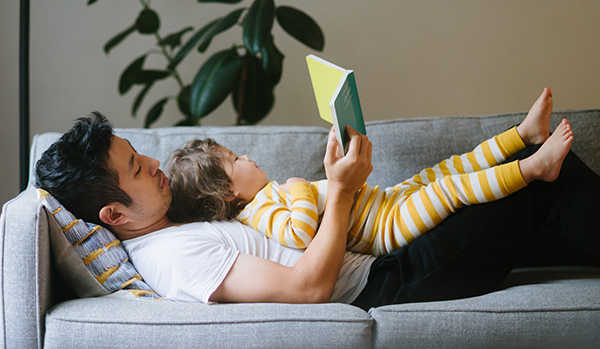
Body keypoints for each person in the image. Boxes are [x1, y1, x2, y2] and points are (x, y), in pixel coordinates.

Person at [34, 88, 600, 308]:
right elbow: (309, 288)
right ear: (113, 215)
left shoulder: (174, 225)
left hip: (385, 260)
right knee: (542, 183)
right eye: (137, 168)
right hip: (390, 285)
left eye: (141, 154)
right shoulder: (172, 258)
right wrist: (343, 192)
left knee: (522, 177)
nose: (155, 165)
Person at [165, 88, 569, 257]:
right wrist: (300, 187)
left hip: (388, 202)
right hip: (386, 230)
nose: (248, 158)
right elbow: (302, 234)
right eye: (236, 161)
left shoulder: (267, 195)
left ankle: (522, 134)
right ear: (228, 195)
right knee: (451, 188)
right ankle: (535, 168)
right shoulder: (259, 214)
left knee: (445, 169)